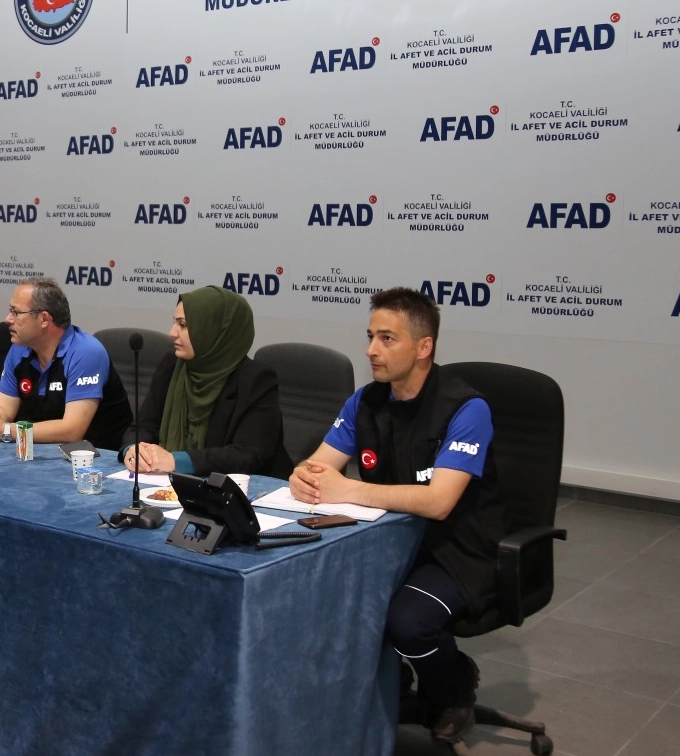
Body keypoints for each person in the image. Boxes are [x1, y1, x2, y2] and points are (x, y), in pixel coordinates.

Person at [289, 287, 506, 743]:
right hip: (388, 539)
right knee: (322, 593)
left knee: (407, 622)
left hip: (455, 550)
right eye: (370, 337)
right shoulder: (365, 401)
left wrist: (350, 488)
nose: (371, 350)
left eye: (387, 339)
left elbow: (439, 501)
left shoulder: (467, 409)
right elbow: (318, 464)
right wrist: (302, 476)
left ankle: (455, 687)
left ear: (423, 347)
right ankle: (392, 684)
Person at [119, 286, 292, 479]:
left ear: (214, 330)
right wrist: (134, 449)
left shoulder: (255, 380)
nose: (172, 333)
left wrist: (176, 460)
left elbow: (248, 454)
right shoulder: (172, 365)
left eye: (183, 325)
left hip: (248, 489)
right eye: (174, 323)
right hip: (168, 483)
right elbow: (142, 427)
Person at [0, 277, 132, 450]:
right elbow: (3, 409)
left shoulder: (86, 352)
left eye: (16, 312)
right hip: (39, 452)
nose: (7, 319)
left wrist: (5, 430)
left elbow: (72, 431)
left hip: (96, 457)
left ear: (44, 319)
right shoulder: (19, 348)